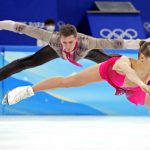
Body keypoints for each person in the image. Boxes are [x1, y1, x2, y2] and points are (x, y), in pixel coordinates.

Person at [2, 41, 150, 110]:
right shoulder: (124, 62)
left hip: (133, 89)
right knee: (68, 81)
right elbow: (129, 72)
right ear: (142, 57)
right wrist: (142, 83)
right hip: (108, 72)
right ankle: (27, 91)